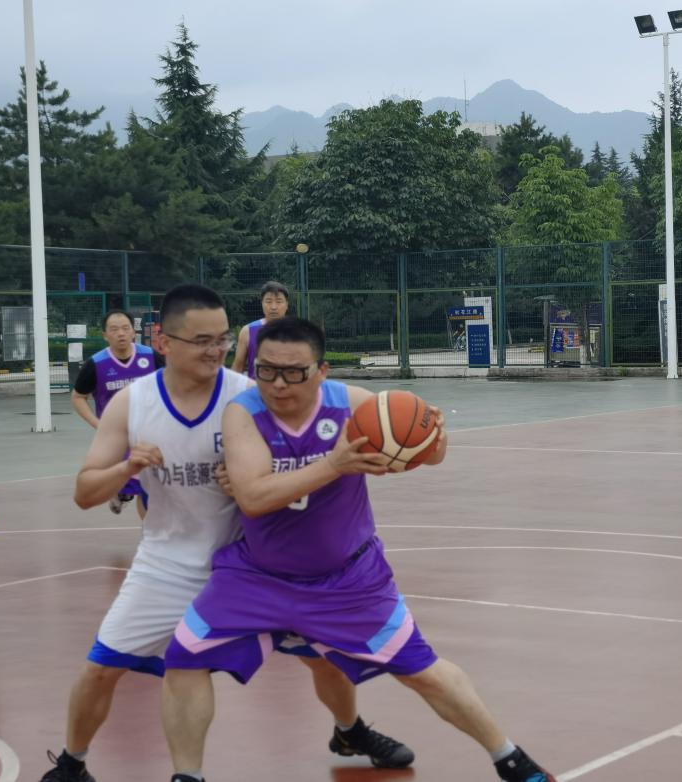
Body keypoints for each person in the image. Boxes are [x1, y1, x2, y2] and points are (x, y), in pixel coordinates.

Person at [162, 317, 557, 782]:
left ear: (321, 371)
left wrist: (431, 435)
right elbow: (253, 496)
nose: (278, 384)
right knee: (184, 656)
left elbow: (432, 454)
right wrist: (334, 464)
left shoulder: (352, 404)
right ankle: (187, 776)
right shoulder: (243, 412)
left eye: (294, 372)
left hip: (348, 580)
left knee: (421, 670)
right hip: (259, 577)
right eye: (266, 371)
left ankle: (510, 760)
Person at [41, 286, 407, 782]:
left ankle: (349, 730)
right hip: (167, 564)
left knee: (324, 659)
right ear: (163, 342)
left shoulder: (251, 396)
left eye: (222, 339)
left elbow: (304, 452)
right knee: (102, 667)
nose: (216, 350)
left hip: (256, 564)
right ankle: (72, 763)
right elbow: (85, 493)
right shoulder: (133, 404)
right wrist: (128, 467)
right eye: (202, 340)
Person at [71, 309, 159, 516]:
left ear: (133, 332)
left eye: (125, 328)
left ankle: (148, 530)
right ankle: (119, 491)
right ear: (105, 335)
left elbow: (171, 385)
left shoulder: (151, 357)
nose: (121, 333)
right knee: (126, 478)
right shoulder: (96, 364)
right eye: (114, 329)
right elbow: (77, 397)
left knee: (148, 489)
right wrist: (99, 424)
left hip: (149, 432)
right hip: (117, 436)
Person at [230, 280, 290, 377]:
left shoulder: (299, 332)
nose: (273, 307)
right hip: (256, 386)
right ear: (262, 303)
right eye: (268, 301)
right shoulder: (248, 331)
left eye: (279, 302)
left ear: (287, 304)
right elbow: (238, 367)